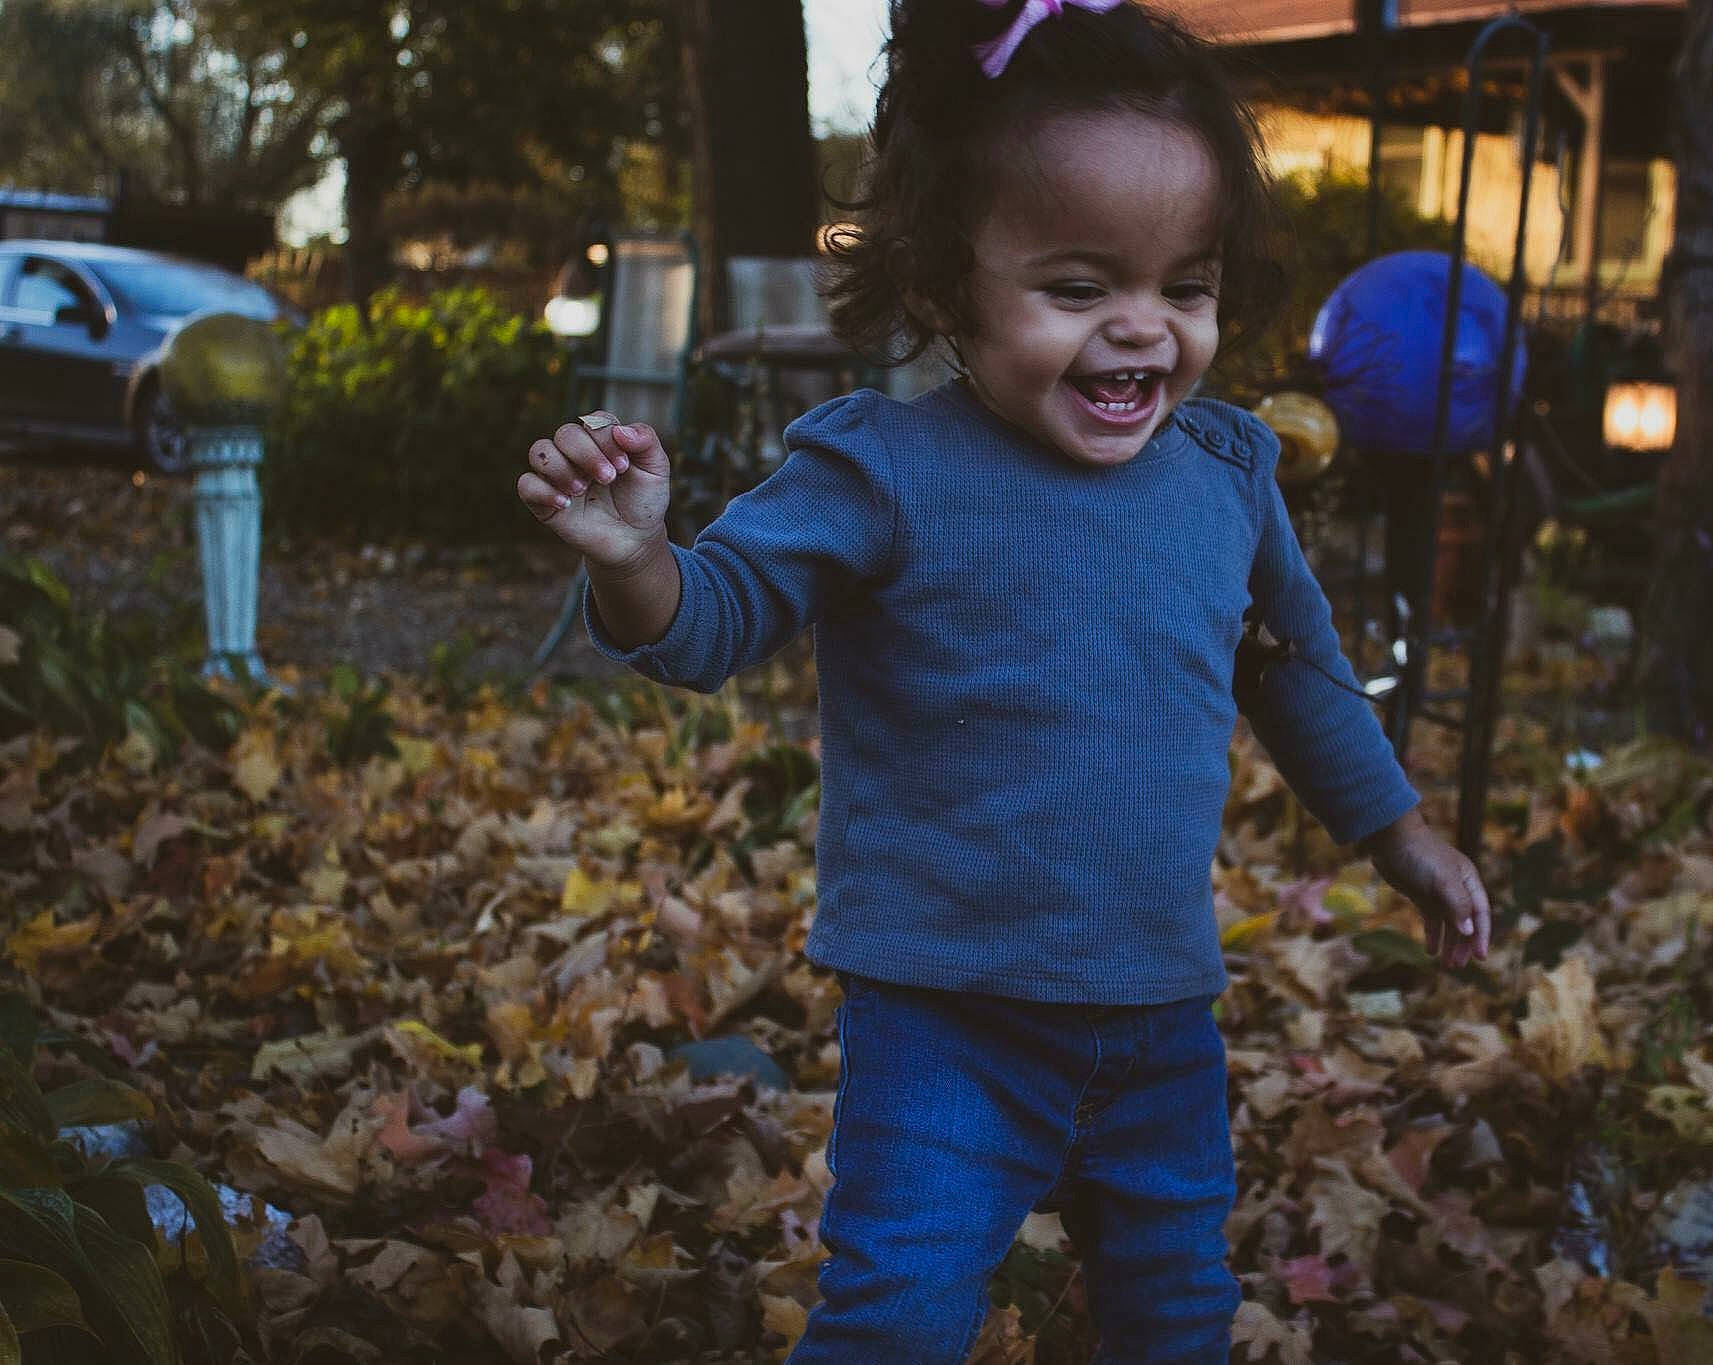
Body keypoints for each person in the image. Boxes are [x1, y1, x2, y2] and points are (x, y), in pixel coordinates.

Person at [515, 2, 1491, 1358]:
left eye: (1186, 287)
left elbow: (1295, 670)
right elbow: (713, 622)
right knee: (900, 1309)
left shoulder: (1225, 477)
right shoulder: (883, 469)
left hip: (1158, 1016)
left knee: (1177, 1311)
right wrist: (637, 561)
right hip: (947, 1019)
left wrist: (1402, 833)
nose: (1143, 332)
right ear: (941, 286)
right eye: (1079, 290)